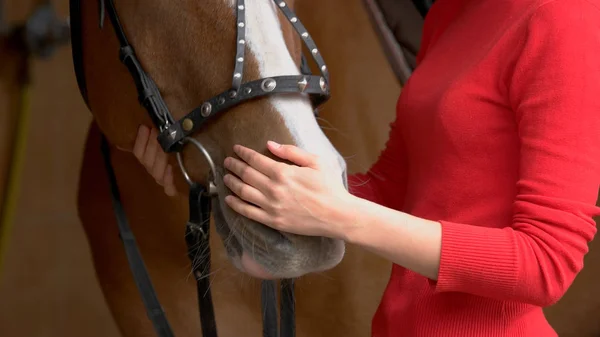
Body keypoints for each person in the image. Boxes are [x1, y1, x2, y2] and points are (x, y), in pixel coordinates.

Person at [121, 0, 600, 336]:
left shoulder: (565, 17)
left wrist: (339, 216)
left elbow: (546, 263)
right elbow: (390, 187)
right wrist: (216, 186)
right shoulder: (451, 14)